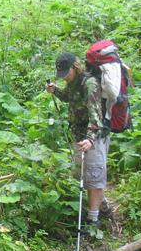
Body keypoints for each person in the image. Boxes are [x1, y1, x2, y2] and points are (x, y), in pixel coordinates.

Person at [46, 52, 109, 230]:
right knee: (82, 172)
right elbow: (68, 97)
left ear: (75, 67)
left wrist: (90, 138)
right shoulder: (73, 83)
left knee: (94, 175)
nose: (64, 76)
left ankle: (93, 220)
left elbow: (96, 114)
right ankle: (103, 205)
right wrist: (55, 90)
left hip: (94, 136)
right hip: (79, 134)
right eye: (62, 74)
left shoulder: (89, 83)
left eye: (67, 72)